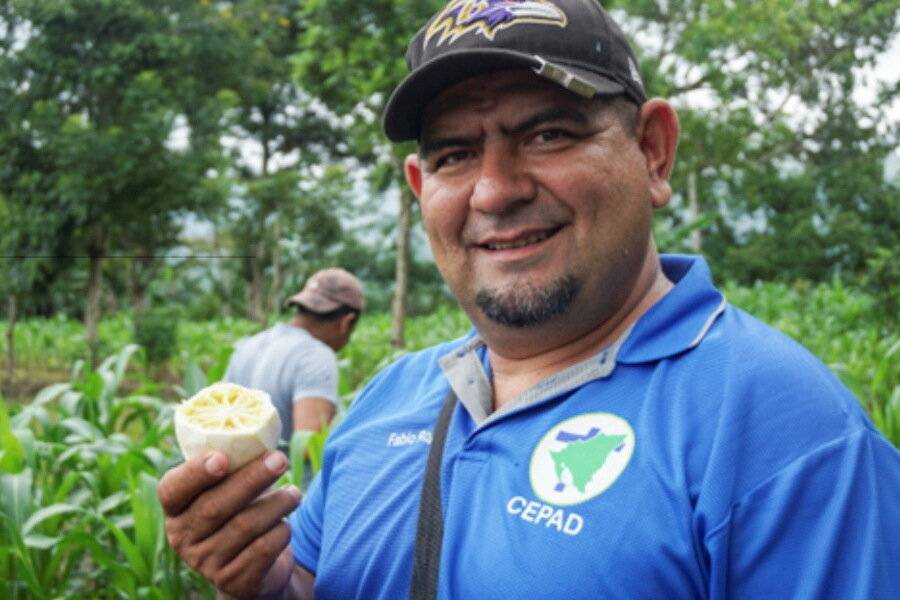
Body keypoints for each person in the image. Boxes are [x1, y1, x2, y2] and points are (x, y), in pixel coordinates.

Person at [158, 1, 900, 598]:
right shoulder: (393, 397)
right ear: (422, 190)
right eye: (454, 154)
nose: (494, 190)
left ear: (653, 151)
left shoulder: (783, 429)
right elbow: (314, 586)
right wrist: (258, 579)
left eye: (548, 134)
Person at [223, 267, 365, 443]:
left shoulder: (248, 345)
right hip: (283, 470)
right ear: (347, 322)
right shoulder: (316, 357)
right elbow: (307, 447)